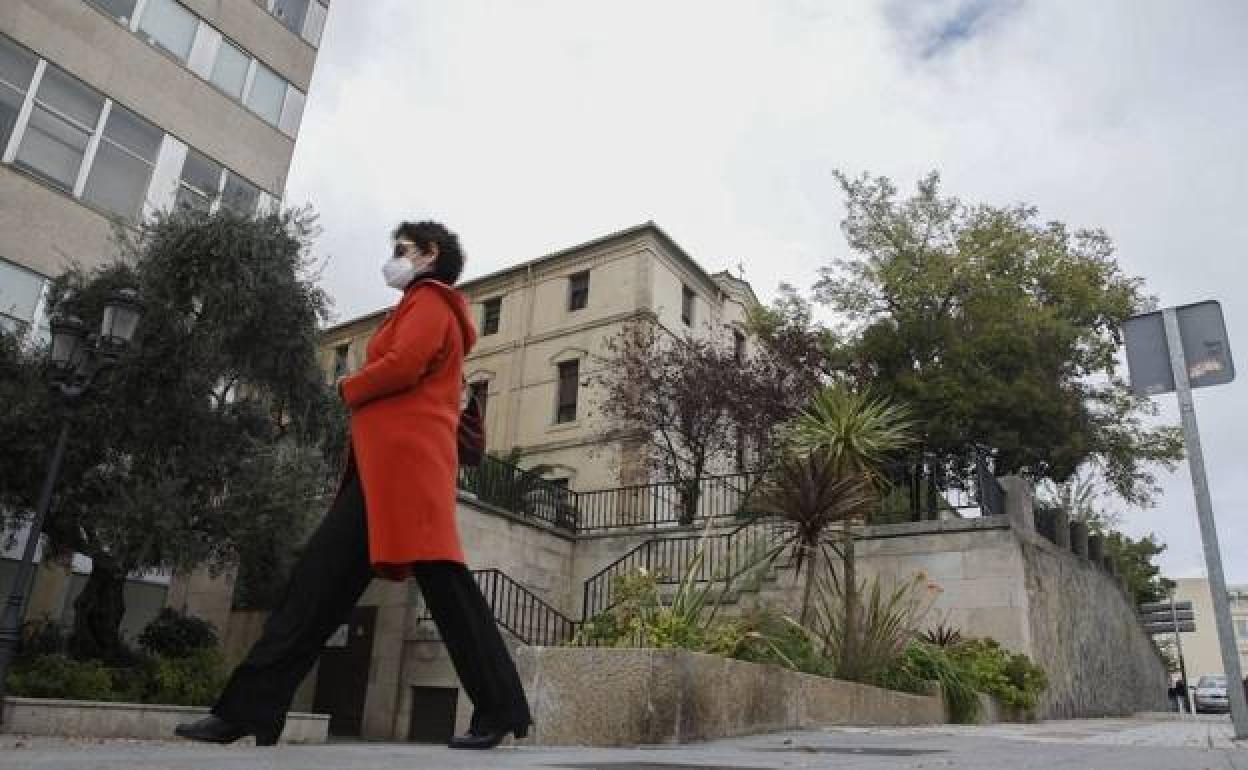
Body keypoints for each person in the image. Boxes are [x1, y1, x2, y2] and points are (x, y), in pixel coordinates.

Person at [175, 221, 532, 749]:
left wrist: (347, 386)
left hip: (403, 473)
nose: (394, 259)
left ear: (430, 254)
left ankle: (502, 710)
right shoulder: (421, 305)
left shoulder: (430, 301)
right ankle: (251, 710)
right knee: (316, 587)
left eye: (402, 250)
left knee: (439, 592)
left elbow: (405, 364)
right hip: (385, 472)